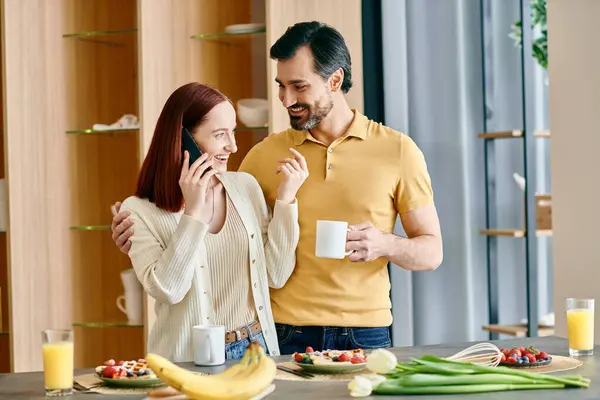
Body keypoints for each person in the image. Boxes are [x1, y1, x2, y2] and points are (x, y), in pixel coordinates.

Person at [112, 21, 443, 355]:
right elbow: (212, 221)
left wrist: (385, 243)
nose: (286, 100)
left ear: (335, 80)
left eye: (298, 86)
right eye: (281, 86)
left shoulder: (397, 150)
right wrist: (140, 233)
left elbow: (431, 252)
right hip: (282, 333)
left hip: (365, 331)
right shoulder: (263, 155)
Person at [114, 82, 308, 362]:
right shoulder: (139, 210)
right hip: (188, 358)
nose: (233, 146)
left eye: (233, 132)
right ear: (184, 140)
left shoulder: (245, 187)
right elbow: (169, 290)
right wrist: (193, 215)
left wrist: (287, 199)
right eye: (220, 135)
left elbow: (276, 275)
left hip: (257, 350)